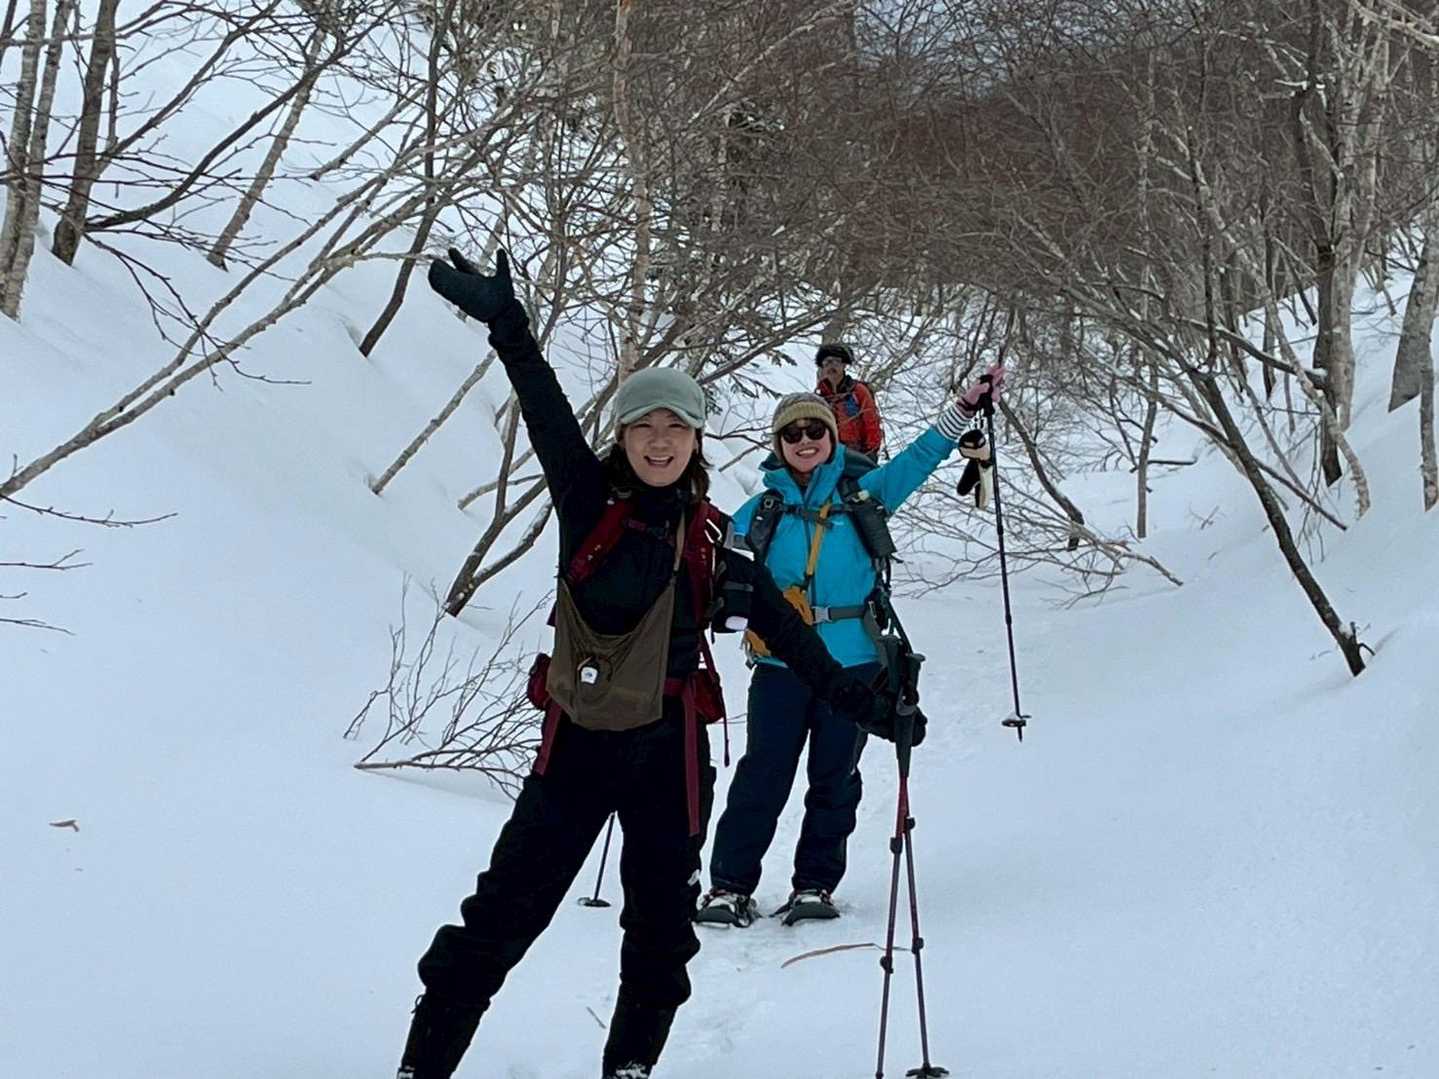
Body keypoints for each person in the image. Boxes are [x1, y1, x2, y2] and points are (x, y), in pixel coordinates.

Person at [397, 248, 882, 1079]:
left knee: (659, 929)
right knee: (502, 913)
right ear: (622, 436)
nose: (659, 440)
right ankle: (422, 1066)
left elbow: (789, 632)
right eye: (644, 425)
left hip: (670, 755)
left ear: (695, 439)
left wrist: (866, 698)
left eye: (675, 426)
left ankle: (627, 1068)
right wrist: (508, 324)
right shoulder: (589, 500)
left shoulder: (715, 536)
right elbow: (544, 407)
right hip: (576, 747)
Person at [696, 364, 1004, 928]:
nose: (805, 441)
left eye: (816, 430)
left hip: (853, 663)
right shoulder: (759, 512)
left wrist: (963, 408)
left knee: (835, 777)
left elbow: (919, 459)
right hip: (780, 664)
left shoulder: (864, 496)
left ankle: (814, 884)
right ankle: (729, 886)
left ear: (833, 437)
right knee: (762, 775)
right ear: (778, 444)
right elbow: (708, 559)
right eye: (792, 433)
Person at [815, 342, 883, 458]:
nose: (831, 366)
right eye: (827, 362)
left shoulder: (858, 391)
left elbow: (871, 421)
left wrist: (870, 453)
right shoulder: (820, 398)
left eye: (836, 361)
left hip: (857, 453)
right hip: (829, 455)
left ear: (844, 365)